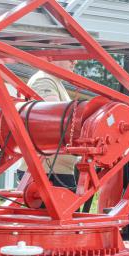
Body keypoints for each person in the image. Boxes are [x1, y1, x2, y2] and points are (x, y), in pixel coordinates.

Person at [16, 60, 79, 188]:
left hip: (54, 171)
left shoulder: (53, 81)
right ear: (52, 57)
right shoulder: (44, 80)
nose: (74, 62)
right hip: (49, 172)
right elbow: (52, 119)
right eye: (70, 58)